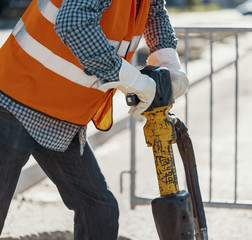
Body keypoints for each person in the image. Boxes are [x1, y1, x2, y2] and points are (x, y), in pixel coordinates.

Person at [0, 0, 188, 239]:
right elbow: (73, 22)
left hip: (62, 115)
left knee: (99, 212)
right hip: (15, 99)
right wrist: (130, 78)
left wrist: (168, 61)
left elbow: (154, 12)